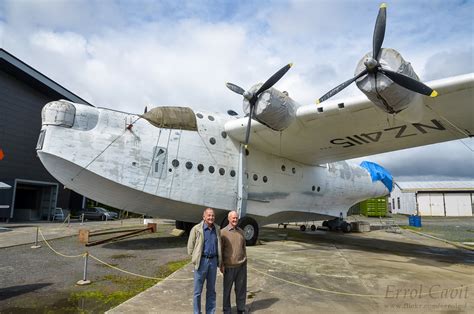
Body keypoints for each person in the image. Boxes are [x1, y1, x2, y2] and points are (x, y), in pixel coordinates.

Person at [187, 208, 222, 314]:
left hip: (213, 262)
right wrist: (195, 258)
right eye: (209, 215)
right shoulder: (196, 229)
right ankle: (197, 312)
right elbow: (190, 247)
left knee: (211, 290)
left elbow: (219, 245)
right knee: (197, 291)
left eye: (213, 216)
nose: (211, 217)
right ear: (204, 217)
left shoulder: (217, 228)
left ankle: (210, 312)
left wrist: (219, 262)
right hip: (201, 262)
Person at [220, 211, 247, 314]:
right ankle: (227, 310)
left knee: (241, 289)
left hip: (241, 266)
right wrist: (221, 264)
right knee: (227, 290)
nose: (235, 220)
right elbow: (220, 250)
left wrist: (245, 261)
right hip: (229, 267)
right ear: (229, 219)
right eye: (233, 218)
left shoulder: (241, 232)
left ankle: (241, 309)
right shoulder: (223, 233)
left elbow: (243, 248)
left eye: (236, 218)